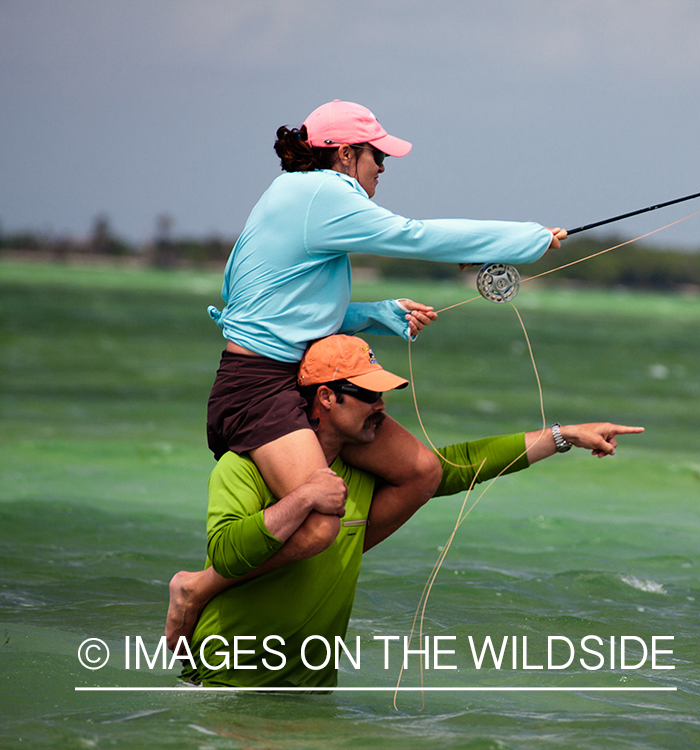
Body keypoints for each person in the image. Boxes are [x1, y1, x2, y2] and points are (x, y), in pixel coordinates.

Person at [190, 99, 566, 638]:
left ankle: (308, 575)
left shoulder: (296, 197)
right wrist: (526, 242)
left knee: (421, 473)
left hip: (305, 373)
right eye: (377, 156)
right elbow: (413, 236)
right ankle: (201, 586)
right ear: (344, 154)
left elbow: (273, 307)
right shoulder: (320, 193)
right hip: (256, 389)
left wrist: (376, 314)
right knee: (321, 526)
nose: (383, 168)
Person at [178, 335, 643, 688]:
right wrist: (302, 499)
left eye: (382, 395)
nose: (381, 406)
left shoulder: (368, 474)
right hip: (227, 676)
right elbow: (227, 552)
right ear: (325, 397)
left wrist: (567, 436)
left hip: (311, 682)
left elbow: (457, 467)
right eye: (366, 395)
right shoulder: (244, 468)